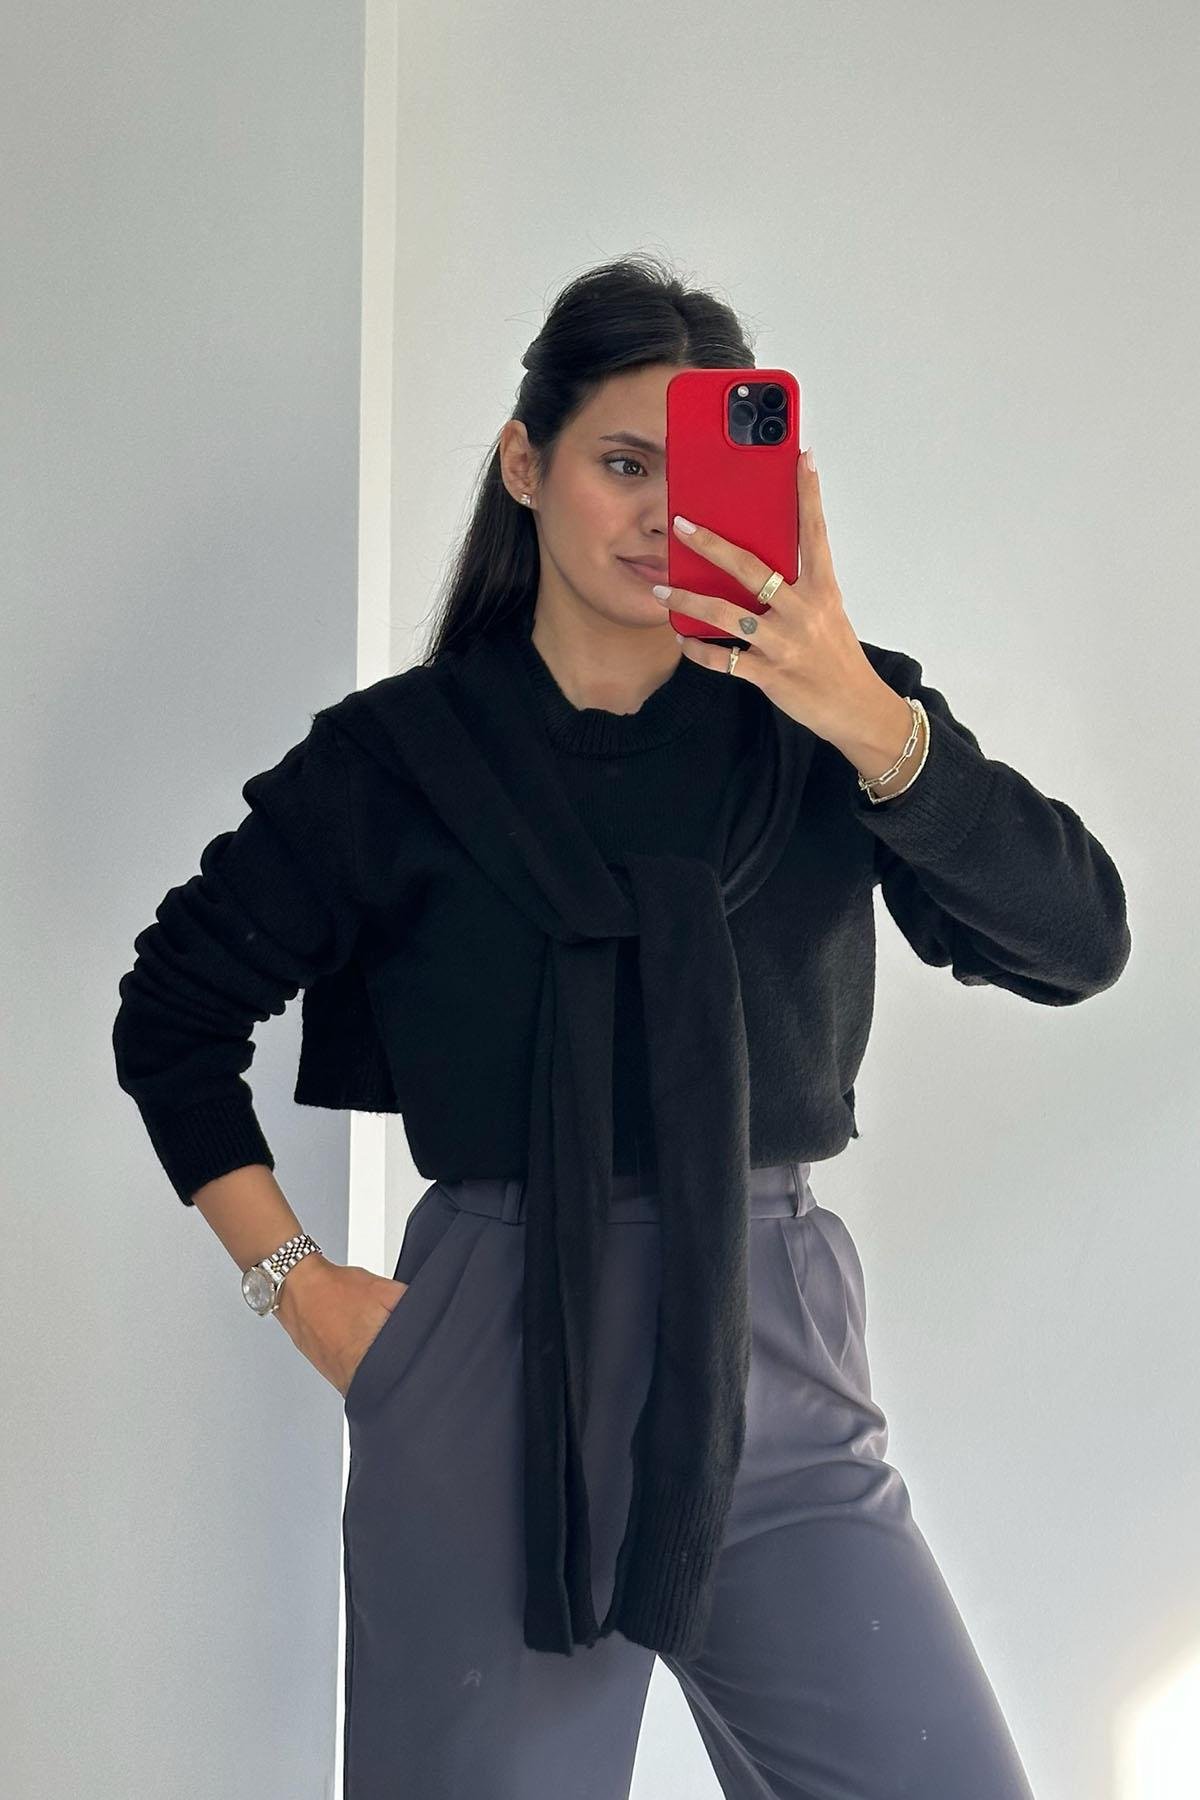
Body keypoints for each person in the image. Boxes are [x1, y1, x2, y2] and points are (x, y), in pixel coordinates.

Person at [113, 254, 1131, 1799]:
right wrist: (299, 1290)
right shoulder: (398, 763)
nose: (662, 513)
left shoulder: (832, 727)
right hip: (487, 1364)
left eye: (699, 470)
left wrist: (865, 714)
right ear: (526, 465)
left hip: (771, 1364)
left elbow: (1078, 943)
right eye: (621, 463)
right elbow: (173, 1016)